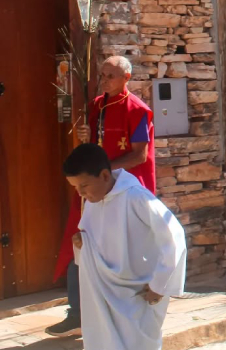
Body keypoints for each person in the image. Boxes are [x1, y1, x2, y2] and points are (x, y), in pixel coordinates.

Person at [48, 55, 157, 337]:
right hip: (95, 189)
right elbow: (95, 147)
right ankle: (77, 312)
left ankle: (117, 310)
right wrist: (85, 138)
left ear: (126, 78)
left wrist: (104, 170)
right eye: (102, 75)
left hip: (120, 190)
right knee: (80, 242)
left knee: (116, 249)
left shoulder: (138, 110)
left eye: (110, 76)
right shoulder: (96, 105)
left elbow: (139, 155)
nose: (104, 80)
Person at [64, 143, 186, 350]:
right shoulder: (93, 201)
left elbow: (173, 236)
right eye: (76, 188)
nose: (81, 193)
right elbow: (91, 239)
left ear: (104, 175)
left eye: (84, 186)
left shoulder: (136, 197)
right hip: (104, 294)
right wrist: (82, 243)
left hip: (138, 296)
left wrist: (160, 286)